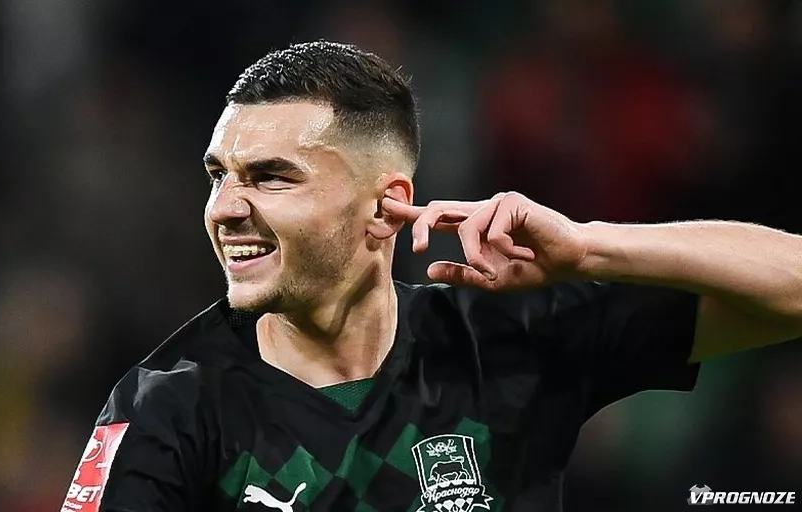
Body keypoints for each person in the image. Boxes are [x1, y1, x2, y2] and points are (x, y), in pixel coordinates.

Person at [59, 41, 802, 512]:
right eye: (218, 175)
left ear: (386, 206)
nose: (225, 208)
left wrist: (587, 248)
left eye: (271, 177)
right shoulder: (171, 404)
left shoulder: (506, 339)